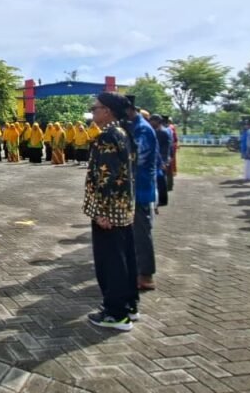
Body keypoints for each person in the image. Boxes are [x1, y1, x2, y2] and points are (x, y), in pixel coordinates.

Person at [85, 92, 138, 331]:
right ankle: (128, 305)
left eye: (95, 108)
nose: (92, 112)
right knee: (125, 257)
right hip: (123, 208)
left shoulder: (108, 135)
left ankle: (116, 314)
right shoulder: (123, 133)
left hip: (110, 211)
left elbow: (106, 176)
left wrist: (102, 212)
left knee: (111, 262)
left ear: (107, 111)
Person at [124, 98, 159, 291]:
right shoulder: (134, 126)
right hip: (135, 188)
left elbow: (137, 160)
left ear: (128, 110)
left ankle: (146, 275)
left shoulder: (142, 129)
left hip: (140, 189)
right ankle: (138, 270)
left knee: (141, 233)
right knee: (135, 232)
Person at [150, 115, 172, 208]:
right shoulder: (156, 131)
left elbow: (165, 148)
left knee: (161, 180)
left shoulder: (163, 132)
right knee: (160, 180)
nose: (150, 122)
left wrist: (164, 161)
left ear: (157, 121)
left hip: (161, 159)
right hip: (158, 158)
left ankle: (163, 200)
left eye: (152, 120)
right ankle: (160, 199)